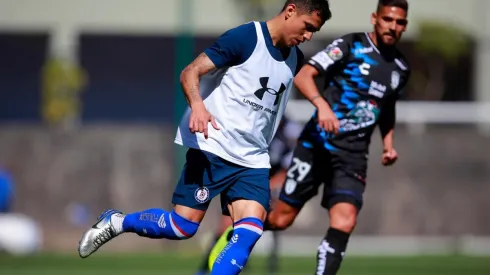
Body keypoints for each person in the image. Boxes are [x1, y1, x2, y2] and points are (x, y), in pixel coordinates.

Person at [77, 1, 332, 274]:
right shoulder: (246, 38)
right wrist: (198, 106)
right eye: (307, 27)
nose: (308, 37)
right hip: (214, 144)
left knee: (248, 233)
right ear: (290, 10)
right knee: (181, 226)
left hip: (254, 158)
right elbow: (190, 72)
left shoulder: (296, 59)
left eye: (313, 32)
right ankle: (118, 222)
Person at [209, 0, 411, 274]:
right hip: (316, 146)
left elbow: (386, 109)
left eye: (400, 22)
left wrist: (388, 144)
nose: (393, 26)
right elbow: (305, 74)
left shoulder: (400, 68)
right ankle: (236, 236)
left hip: (352, 157)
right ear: (375, 18)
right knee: (280, 220)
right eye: (388, 19)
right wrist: (323, 106)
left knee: (345, 221)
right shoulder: (351, 45)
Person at [194, 116, 303, 275]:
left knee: (274, 221)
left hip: (273, 185)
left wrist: (270, 186)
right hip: (249, 181)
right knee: (226, 224)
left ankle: (271, 266)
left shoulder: (289, 131)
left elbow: (288, 170)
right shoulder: (252, 122)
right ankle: (205, 269)